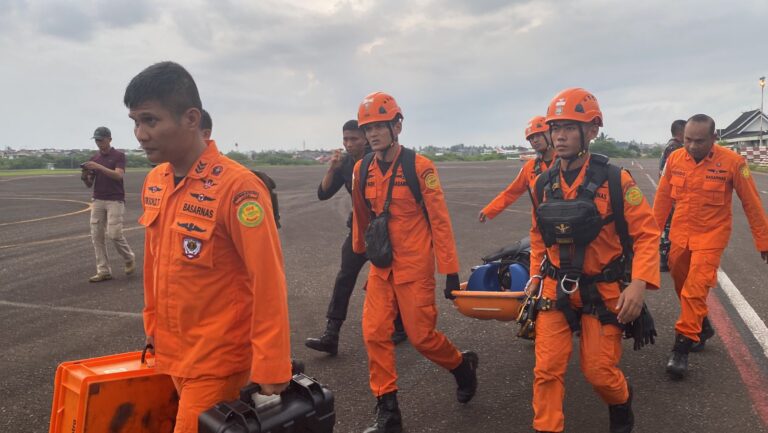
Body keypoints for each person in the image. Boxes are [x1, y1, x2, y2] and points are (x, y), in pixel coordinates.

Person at [125, 61, 292, 433]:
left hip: (218, 362)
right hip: (171, 353)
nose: (140, 133)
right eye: (135, 122)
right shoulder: (156, 181)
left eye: (150, 120)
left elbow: (268, 280)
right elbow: (155, 264)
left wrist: (272, 365)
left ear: (190, 118)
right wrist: (152, 324)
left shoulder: (239, 189)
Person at [528, 88, 660, 433]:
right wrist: (534, 276)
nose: (559, 135)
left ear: (592, 131)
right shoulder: (543, 182)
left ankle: (621, 401)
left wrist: (639, 283)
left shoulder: (617, 180)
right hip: (555, 287)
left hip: (604, 290)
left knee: (598, 372)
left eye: (570, 127)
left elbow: (647, 234)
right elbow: (538, 234)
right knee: (547, 370)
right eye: (555, 127)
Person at [351, 92, 478, 433]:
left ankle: (462, 366)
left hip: (414, 267)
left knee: (422, 338)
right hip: (382, 267)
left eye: (380, 126)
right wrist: (360, 252)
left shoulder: (419, 167)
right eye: (368, 128)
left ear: (397, 126)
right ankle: (388, 411)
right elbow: (362, 216)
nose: (373, 134)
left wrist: (450, 271)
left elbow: (440, 221)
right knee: (374, 333)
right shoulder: (362, 169)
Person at [653, 114, 768, 379]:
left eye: (699, 141)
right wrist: (649, 237)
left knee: (695, 289)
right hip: (680, 236)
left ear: (714, 138)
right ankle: (702, 326)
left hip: (711, 237)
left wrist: (764, 241)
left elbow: (752, 204)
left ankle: (681, 348)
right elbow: (662, 200)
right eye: (688, 140)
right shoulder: (675, 159)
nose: (692, 146)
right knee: (682, 285)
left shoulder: (733, 163)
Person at [305, 120, 406, 356]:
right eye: (345, 139)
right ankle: (331, 334)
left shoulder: (379, 159)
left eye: (354, 139)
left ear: (365, 139)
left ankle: (401, 326)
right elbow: (323, 193)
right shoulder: (346, 163)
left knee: (392, 278)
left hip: (386, 231)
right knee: (345, 277)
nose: (349, 144)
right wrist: (332, 167)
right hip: (360, 231)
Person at [80, 126, 136, 282]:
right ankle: (103, 270)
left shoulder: (118, 156)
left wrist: (98, 167)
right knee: (96, 236)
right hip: (98, 199)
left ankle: (128, 257)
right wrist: (85, 176)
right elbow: (89, 184)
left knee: (114, 234)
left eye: (101, 140)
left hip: (115, 200)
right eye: (96, 140)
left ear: (109, 139)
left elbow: (118, 175)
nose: (98, 143)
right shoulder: (94, 158)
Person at [479, 115, 555, 223]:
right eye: (531, 138)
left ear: (550, 133)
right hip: (541, 229)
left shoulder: (566, 161)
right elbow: (511, 193)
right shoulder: (529, 168)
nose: (535, 140)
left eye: (538, 135)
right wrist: (490, 210)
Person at [658, 119, 686, 272]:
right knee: (669, 227)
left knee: (668, 226)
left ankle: (665, 257)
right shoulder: (675, 148)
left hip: (669, 191)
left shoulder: (670, 146)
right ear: (681, 132)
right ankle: (665, 258)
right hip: (671, 193)